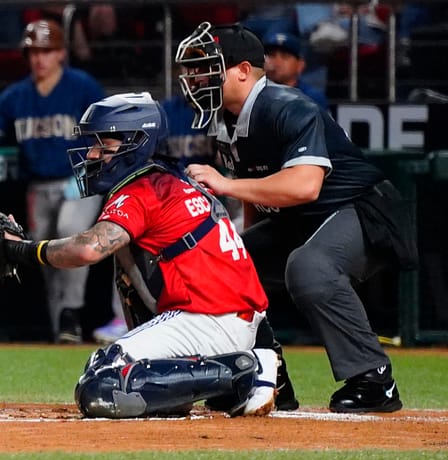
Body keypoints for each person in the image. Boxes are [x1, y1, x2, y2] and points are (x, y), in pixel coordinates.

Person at [0, 91, 277, 418]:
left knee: (102, 382)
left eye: (104, 145)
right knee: (126, 295)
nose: (93, 154)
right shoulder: (170, 179)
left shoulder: (143, 189)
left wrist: (21, 250)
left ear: (136, 143)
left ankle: (243, 370)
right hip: (228, 318)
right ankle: (233, 377)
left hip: (209, 318)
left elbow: (87, 248)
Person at [175, 21, 413, 413]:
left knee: (308, 268)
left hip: (363, 210)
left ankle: (374, 379)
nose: (197, 79)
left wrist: (226, 185)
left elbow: (305, 186)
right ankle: (266, 376)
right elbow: (256, 194)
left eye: (208, 68)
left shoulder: (286, 105)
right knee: (223, 265)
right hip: (302, 221)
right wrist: (242, 259)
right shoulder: (226, 120)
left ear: (243, 70)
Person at [0, 20, 105, 343]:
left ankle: (71, 313)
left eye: (46, 51)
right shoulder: (16, 96)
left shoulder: (82, 87)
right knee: (44, 252)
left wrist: (91, 169)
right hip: (38, 186)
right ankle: (62, 329)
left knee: (71, 234)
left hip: (80, 182)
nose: (39, 59)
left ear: (61, 53)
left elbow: (110, 134)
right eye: (33, 52)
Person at [262, 32, 329, 110]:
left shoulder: (311, 98)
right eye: (271, 55)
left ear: (300, 65)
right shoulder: (255, 94)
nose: (277, 62)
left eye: (285, 57)